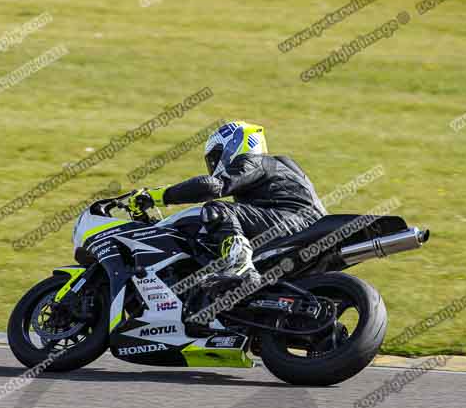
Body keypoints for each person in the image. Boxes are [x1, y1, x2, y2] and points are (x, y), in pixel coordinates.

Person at [129, 121, 327, 300]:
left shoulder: (256, 161)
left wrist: (157, 196)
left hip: (294, 223)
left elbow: (211, 186)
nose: (214, 165)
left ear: (233, 145)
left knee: (217, 209)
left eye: (215, 157)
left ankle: (240, 265)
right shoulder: (278, 170)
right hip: (301, 226)